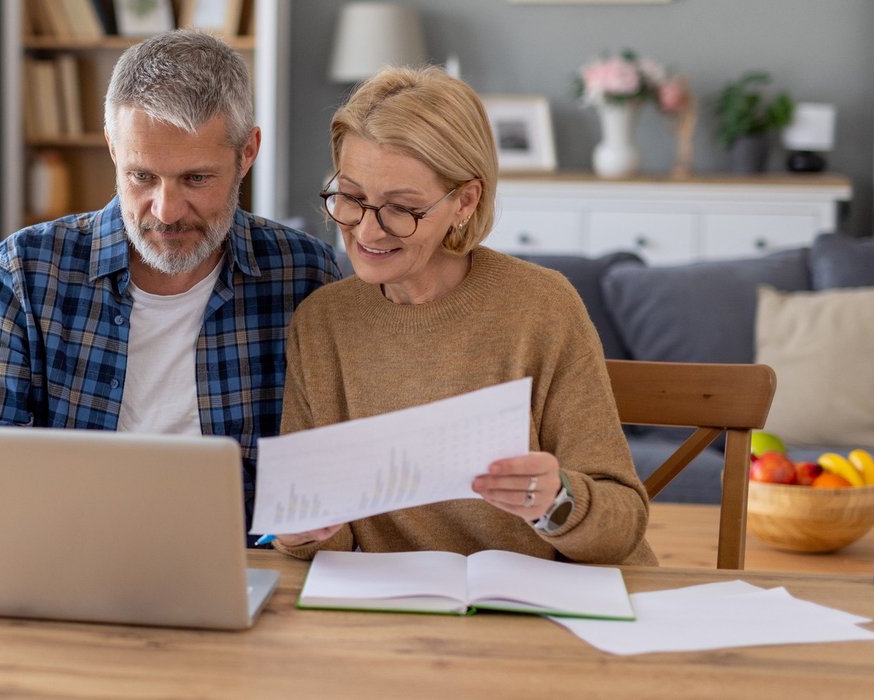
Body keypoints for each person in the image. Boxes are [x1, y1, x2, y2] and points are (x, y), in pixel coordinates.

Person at [0, 31, 340, 537]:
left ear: (247, 153)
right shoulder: (23, 273)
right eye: (142, 177)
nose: (166, 211)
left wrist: (306, 519)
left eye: (196, 178)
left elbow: (328, 461)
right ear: (113, 149)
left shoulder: (304, 275)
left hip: (247, 560)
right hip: (67, 553)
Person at [271, 66, 656, 565]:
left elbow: (621, 523)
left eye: (400, 208)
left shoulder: (542, 307)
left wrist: (556, 502)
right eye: (351, 197)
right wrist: (302, 530)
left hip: (542, 598)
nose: (366, 231)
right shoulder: (322, 322)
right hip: (397, 602)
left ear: (464, 201)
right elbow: (326, 539)